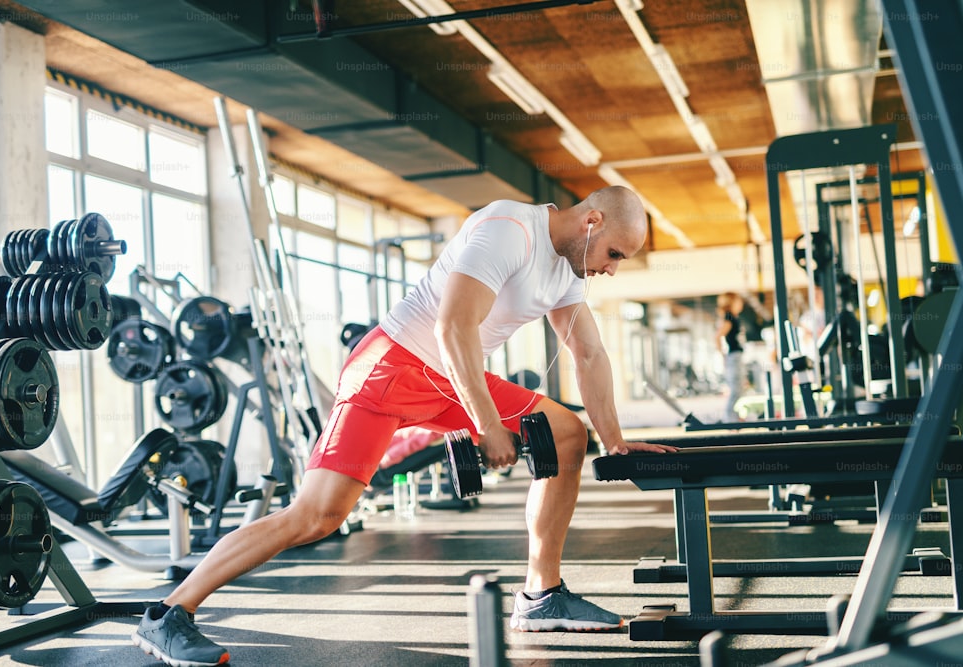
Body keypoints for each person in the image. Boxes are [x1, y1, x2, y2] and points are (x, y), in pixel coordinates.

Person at [132, 185, 678, 666]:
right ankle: (168, 612)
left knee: (565, 432)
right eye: (614, 255)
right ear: (592, 222)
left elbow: (588, 354)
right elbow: (453, 326)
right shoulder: (509, 228)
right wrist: (486, 423)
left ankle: (542, 593)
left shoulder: (567, 268)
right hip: (390, 368)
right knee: (318, 516)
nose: (612, 268)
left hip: (448, 379)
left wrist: (616, 444)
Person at [715, 292, 746, 422]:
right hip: (733, 356)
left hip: (736, 355)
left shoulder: (733, 317)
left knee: (739, 388)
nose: (741, 304)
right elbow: (718, 336)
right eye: (738, 301)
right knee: (735, 389)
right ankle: (730, 418)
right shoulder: (729, 317)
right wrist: (722, 355)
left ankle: (733, 417)